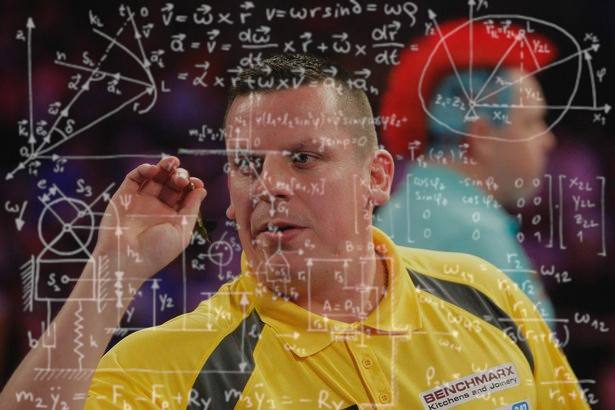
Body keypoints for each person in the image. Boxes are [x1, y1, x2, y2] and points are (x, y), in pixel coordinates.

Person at [1, 54, 588, 409]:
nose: (269, 186)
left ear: (376, 177)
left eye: (303, 159)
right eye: (248, 165)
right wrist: (111, 272)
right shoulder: (173, 367)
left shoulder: (485, 293)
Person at [377, 20, 557, 322]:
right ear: (481, 134)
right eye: (531, 123)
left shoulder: (409, 208)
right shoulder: (471, 233)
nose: (547, 140)